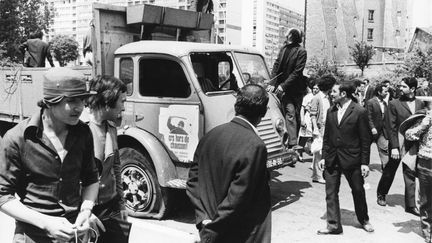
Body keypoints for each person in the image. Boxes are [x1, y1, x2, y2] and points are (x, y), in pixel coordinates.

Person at [0, 67, 99, 242]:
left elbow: (91, 178)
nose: (80, 107)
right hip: (32, 235)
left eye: (83, 99)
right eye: (72, 100)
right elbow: (2, 196)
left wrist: (86, 210)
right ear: (51, 101)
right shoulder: (17, 138)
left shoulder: (83, 132)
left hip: (73, 233)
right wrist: (46, 223)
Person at [186, 84, 271, 243]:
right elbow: (238, 197)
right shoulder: (255, 145)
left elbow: (192, 182)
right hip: (235, 234)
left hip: (208, 227)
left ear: (236, 106)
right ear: (263, 112)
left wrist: (204, 219)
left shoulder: (211, 135)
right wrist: (212, 230)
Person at [317, 81, 373, 234]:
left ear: (343, 94)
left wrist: (364, 163)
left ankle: (363, 220)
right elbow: (327, 136)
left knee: (357, 190)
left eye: (334, 91)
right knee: (330, 193)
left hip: (352, 159)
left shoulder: (359, 111)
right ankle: (334, 225)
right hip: (332, 158)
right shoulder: (330, 111)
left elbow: (365, 140)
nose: (331, 94)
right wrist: (323, 156)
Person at [85, 75, 129, 242]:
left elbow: (116, 168)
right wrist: (83, 213)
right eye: (122, 101)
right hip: (86, 210)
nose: (124, 108)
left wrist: (121, 205)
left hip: (110, 206)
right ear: (107, 100)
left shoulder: (111, 128)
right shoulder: (81, 129)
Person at [376, 77, 424, 215]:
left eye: (403, 86)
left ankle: (410, 205)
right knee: (390, 170)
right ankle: (381, 193)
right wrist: (395, 147)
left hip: (413, 145)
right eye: (400, 86)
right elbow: (390, 127)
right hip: (397, 143)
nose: (400, 89)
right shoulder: (394, 104)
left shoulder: (421, 103)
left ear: (412, 89)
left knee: (410, 172)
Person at [266, 28, 307, 149]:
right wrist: (272, 83)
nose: (287, 35)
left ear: (292, 36)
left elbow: (297, 72)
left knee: (296, 116)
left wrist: (283, 85)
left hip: (295, 89)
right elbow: (276, 65)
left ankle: (294, 141)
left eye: (289, 34)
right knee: (290, 113)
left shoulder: (301, 51)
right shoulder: (283, 49)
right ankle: (292, 144)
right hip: (282, 90)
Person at [404, 102, 432, 243]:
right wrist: (423, 125)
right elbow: (408, 134)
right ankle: (427, 232)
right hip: (426, 164)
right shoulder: (425, 117)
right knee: (426, 200)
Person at [309, 75, 336, 184]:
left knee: (325, 150)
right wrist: (315, 129)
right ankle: (317, 175)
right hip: (320, 128)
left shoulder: (328, 97)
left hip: (327, 127)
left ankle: (322, 172)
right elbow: (313, 115)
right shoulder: (317, 98)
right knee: (318, 152)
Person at [366, 83, 389, 170]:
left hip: (381, 131)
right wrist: (372, 127)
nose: (387, 93)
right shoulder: (371, 102)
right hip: (370, 131)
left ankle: (386, 168)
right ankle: (364, 166)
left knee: (384, 149)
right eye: (385, 91)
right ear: (379, 92)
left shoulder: (385, 103)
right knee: (366, 149)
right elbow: (368, 116)